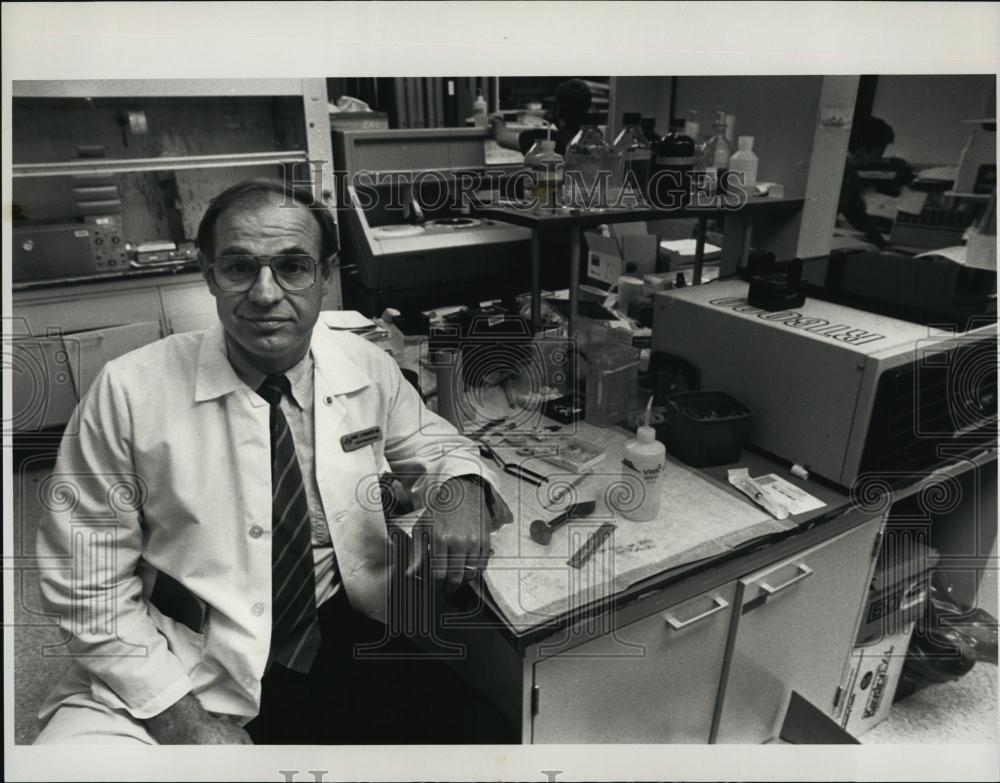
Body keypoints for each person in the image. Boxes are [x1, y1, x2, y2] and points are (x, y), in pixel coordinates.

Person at [33, 179, 514, 745]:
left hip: (342, 631)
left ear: (325, 274)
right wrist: (180, 720)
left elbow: (435, 444)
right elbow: (85, 583)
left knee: (492, 744)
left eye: (292, 266)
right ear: (209, 274)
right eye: (240, 268)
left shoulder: (364, 364)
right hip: (188, 656)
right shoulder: (129, 392)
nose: (265, 293)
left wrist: (462, 487)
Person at [838, 116, 900, 250]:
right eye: (879, 153)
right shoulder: (839, 171)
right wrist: (881, 244)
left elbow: (857, 214)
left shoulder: (849, 174)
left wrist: (881, 244)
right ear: (862, 151)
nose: (879, 159)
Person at [490, 78, 592, 156]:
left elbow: (503, 138)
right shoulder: (591, 138)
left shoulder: (549, 138)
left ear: (558, 109)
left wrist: (497, 118)